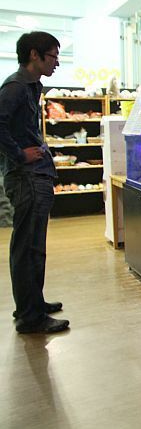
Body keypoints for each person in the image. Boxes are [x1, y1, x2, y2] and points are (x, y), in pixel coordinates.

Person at [0, 31, 69, 334]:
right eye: (52, 55)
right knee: (28, 248)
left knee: (33, 246)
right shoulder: (15, 88)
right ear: (34, 55)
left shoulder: (31, 88)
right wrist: (19, 154)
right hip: (26, 178)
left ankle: (32, 304)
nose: (56, 62)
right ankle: (30, 317)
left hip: (35, 175)